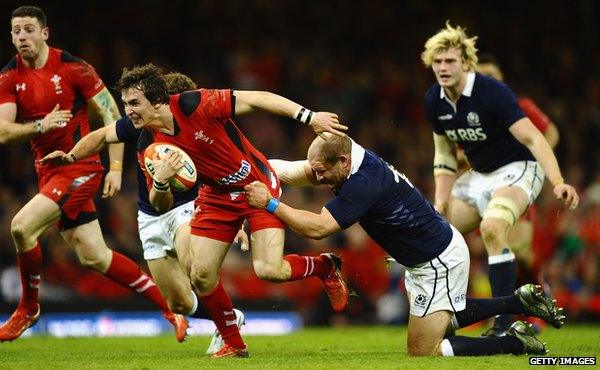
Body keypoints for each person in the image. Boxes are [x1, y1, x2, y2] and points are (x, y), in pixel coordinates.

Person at [44, 63, 349, 358]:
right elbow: (101, 137)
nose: (128, 111)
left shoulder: (195, 103)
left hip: (255, 187)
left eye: (134, 102)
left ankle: (323, 266)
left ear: (158, 100)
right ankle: (234, 343)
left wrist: (309, 117)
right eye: (125, 104)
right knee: (201, 276)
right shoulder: (147, 142)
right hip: (215, 196)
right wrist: (72, 157)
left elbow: (258, 98)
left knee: (269, 270)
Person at [244, 134, 564, 356]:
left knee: (423, 350)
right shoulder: (348, 156)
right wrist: (248, 167)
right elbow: (295, 170)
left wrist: (270, 203)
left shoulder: (363, 183)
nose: (320, 179)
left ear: (341, 161)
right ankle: (518, 302)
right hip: (430, 254)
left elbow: (318, 228)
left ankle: (516, 344)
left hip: (436, 260)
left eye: (323, 173)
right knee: (440, 321)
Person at [0, 6, 186, 342]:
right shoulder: (9, 78)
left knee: (22, 228)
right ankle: (171, 306)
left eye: (28, 29)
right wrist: (40, 125)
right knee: (94, 256)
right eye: (16, 31)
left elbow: (114, 117)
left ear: (44, 33)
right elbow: (1, 132)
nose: (21, 36)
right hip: (47, 171)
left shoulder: (73, 68)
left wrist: (114, 168)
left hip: (79, 166)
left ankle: (28, 309)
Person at [42, 71, 246, 355]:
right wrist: (71, 156)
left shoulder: (202, 128)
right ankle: (228, 318)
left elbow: (228, 177)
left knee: (196, 269)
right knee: (179, 303)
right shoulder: (142, 133)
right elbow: (102, 135)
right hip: (151, 216)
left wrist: (237, 222)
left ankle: (232, 340)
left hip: (188, 207)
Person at [421, 22, 579, 335]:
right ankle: (444, 317)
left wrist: (557, 180)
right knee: (435, 234)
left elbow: (535, 138)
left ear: (466, 62)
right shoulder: (434, 100)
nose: (442, 67)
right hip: (479, 175)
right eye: (437, 61)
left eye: (450, 60)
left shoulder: (491, 91)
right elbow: (444, 155)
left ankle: (504, 324)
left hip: (518, 169)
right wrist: (441, 198)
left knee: (494, 229)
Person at [475, 54, 559, 287]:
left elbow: (551, 133)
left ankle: (539, 290)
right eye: (480, 75)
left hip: (515, 184)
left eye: (491, 74)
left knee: (519, 252)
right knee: (498, 247)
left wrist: (532, 160)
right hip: (485, 188)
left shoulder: (519, 106)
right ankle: (507, 310)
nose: (486, 79)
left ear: (502, 78)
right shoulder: (469, 115)